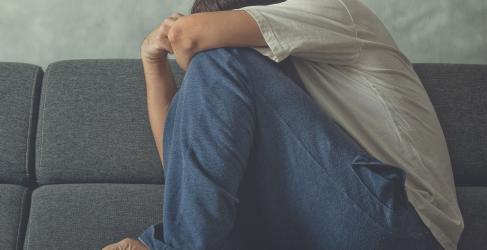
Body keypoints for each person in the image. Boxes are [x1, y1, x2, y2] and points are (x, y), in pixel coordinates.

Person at [103, 0, 464, 249]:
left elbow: (190, 35)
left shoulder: (333, 10)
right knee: (207, 200)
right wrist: (152, 63)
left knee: (217, 62)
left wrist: (198, 54)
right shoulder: (260, 102)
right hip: (322, 229)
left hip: (404, 226)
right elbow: (187, 177)